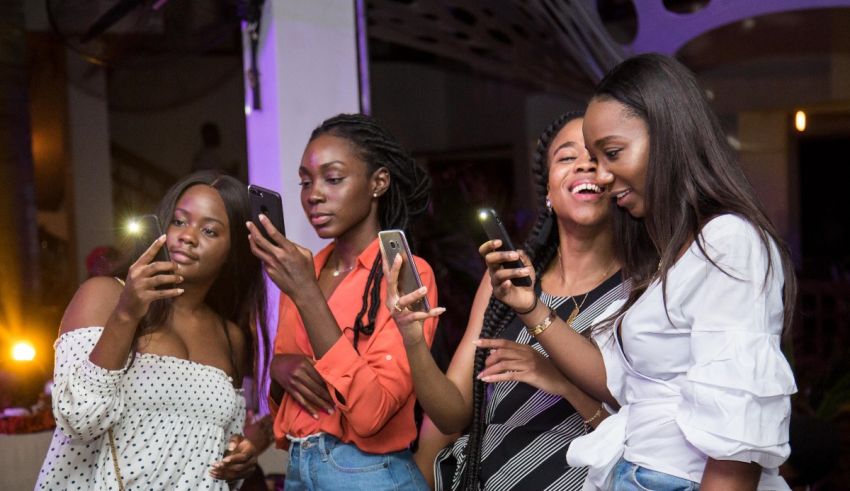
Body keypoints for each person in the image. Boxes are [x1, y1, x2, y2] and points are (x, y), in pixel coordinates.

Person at [483, 53, 798, 490]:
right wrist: (531, 309)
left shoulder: (728, 242)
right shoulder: (673, 252)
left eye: (611, 153)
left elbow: (736, 441)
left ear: (668, 134)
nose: (603, 175)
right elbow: (617, 381)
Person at [386, 112, 630, 490]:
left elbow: (644, 426)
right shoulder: (505, 281)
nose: (584, 164)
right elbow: (451, 415)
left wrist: (560, 381)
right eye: (567, 157)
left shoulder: (640, 286)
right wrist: (414, 341)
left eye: (598, 157)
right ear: (548, 189)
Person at [36, 171, 269, 489]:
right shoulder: (105, 295)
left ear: (234, 251)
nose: (187, 236)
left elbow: (214, 454)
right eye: (179, 221)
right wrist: (126, 314)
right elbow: (78, 419)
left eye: (210, 231)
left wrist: (239, 456)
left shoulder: (231, 337)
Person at [245, 113, 435, 490]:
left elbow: (371, 415)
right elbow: (287, 396)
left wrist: (306, 294)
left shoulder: (407, 274)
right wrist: (280, 370)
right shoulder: (305, 269)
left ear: (378, 182)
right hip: (299, 468)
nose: (313, 194)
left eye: (333, 179)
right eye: (305, 181)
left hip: (367, 473)